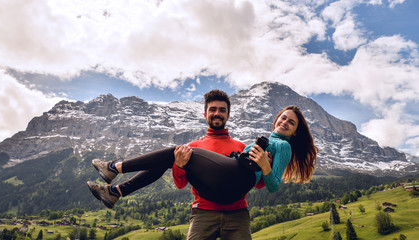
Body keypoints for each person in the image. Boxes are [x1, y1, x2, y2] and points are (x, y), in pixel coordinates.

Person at [87, 91, 318, 239]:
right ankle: (115, 189)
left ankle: (114, 173)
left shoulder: (243, 143)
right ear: (206, 113)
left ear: (227, 115)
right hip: (204, 211)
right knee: (175, 154)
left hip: (236, 211)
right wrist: (179, 165)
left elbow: (261, 185)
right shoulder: (195, 146)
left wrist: (264, 166)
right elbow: (180, 184)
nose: (217, 113)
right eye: (213, 109)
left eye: (222, 110)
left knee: (174, 152)